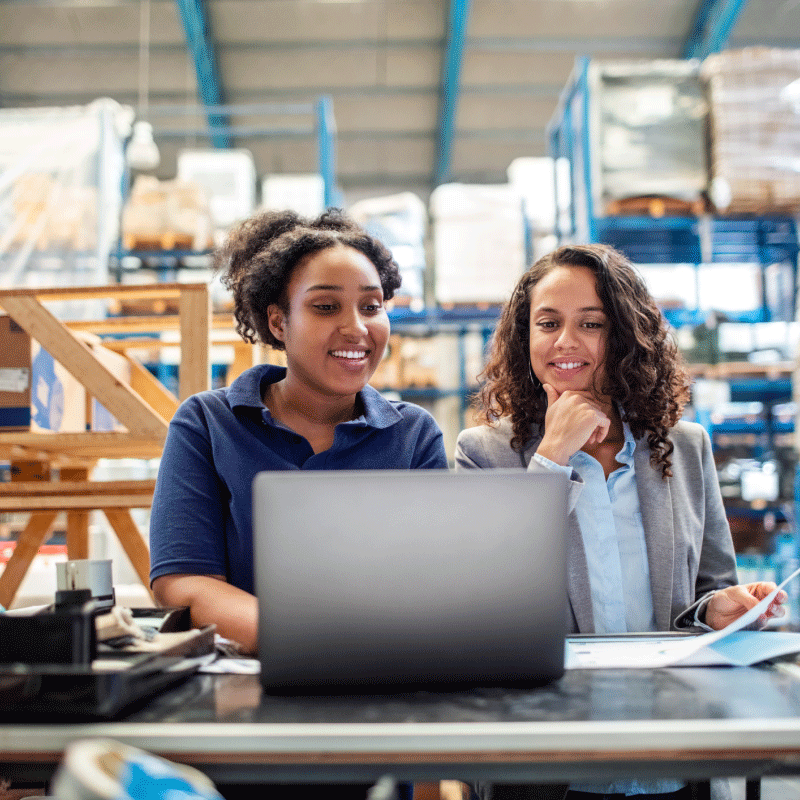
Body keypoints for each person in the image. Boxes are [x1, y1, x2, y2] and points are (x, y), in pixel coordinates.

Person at [455, 244, 786, 800]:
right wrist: (552, 457)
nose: (566, 341)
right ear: (525, 338)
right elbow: (483, 600)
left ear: (626, 337)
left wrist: (719, 608)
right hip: (546, 766)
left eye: (592, 323)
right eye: (548, 323)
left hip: (674, 757)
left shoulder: (683, 448)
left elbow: (709, 587)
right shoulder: (485, 453)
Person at [149, 208, 448, 658]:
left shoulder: (413, 435)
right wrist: (304, 642)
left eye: (372, 306)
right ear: (277, 322)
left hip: (385, 676)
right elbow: (183, 582)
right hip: (251, 683)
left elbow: (434, 584)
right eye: (326, 307)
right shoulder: (208, 424)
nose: (357, 328)